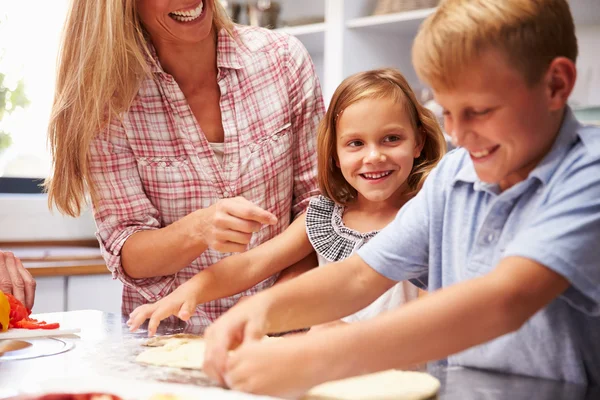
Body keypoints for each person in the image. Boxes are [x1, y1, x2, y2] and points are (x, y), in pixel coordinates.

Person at [200, 0, 600, 396]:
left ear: (556, 85)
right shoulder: (453, 176)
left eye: (479, 111)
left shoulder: (589, 174)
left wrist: (320, 357)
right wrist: (257, 312)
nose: (458, 134)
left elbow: (505, 299)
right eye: (446, 112)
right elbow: (360, 275)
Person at [45, 0, 324, 326]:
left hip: (284, 325)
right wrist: (198, 229)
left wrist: (272, 310)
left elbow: (320, 205)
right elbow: (127, 250)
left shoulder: (283, 60)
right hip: (169, 341)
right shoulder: (108, 105)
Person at [126, 68, 447, 336]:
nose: (374, 156)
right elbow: (252, 263)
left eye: (392, 139)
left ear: (418, 141)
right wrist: (190, 291)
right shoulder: (325, 215)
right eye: (356, 143)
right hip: (324, 376)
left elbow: (428, 321)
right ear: (334, 154)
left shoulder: (424, 214)